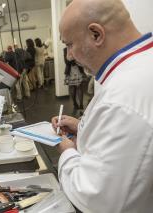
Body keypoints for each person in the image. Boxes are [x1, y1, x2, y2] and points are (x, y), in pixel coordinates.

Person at [51, 0, 153, 212]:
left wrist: (68, 152)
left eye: (70, 44)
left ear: (96, 34)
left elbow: (95, 199)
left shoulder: (122, 99)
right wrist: (84, 128)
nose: (69, 55)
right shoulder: (141, 68)